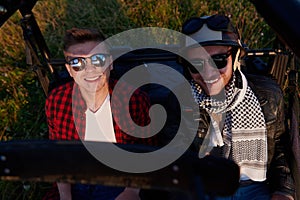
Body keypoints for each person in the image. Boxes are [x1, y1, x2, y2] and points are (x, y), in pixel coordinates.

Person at [165, 14, 295, 199]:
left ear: (234, 59)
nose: (208, 72)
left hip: (257, 187)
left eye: (218, 61)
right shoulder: (177, 102)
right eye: (196, 64)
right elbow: (172, 161)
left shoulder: (267, 95)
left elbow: (279, 148)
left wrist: (284, 191)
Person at [44, 27, 156, 200]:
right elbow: (58, 156)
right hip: (76, 180)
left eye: (97, 59)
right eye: (78, 63)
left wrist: (131, 192)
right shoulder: (57, 101)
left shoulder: (133, 100)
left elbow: (145, 152)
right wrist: (65, 196)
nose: (90, 70)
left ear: (110, 63)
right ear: (69, 70)